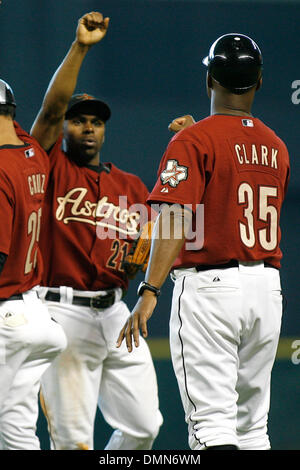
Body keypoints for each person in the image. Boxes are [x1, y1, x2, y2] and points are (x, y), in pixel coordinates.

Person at [117, 33, 290, 450]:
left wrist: (150, 290)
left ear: (208, 78)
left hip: (212, 290)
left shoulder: (193, 141)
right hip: (266, 290)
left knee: (212, 426)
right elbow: (231, 189)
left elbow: (175, 218)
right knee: (252, 430)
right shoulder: (277, 146)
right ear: (260, 81)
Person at [30, 12, 163, 450]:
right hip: (61, 311)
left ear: (105, 129)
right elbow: (50, 111)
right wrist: (81, 47)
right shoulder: (51, 167)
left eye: (96, 121)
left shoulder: (130, 186)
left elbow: (148, 242)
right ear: (64, 128)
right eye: (78, 119)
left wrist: (138, 259)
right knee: (73, 442)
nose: (87, 126)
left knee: (145, 427)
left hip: (116, 314)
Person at [0, 79, 67, 450]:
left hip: (6, 320)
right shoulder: (30, 153)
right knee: (17, 434)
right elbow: (52, 109)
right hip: (36, 316)